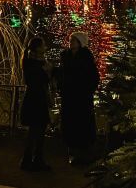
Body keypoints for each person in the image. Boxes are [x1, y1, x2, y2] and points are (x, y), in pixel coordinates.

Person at [58, 32, 99, 165]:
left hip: (82, 98)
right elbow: (62, 75)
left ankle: (84, 152)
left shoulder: (86, 58)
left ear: (80, 43)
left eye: (74, 41)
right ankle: (73, 152)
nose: (71, 43)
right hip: (69, 97)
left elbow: (94, 78)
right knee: (70, 124)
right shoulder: (65, 57)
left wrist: (87, 91)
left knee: (82, 124)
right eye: (70, 40)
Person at [19, 37, 52, 172]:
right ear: (38, 48)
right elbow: (41, 80)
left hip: (33, 98)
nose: (45, 47)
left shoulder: (29, 60)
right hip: (37, 99)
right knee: (37, 131)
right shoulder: (36, 63)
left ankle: (29, 160)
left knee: (34, 131)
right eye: (43, 45)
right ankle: (35, 160)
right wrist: (47, 71)